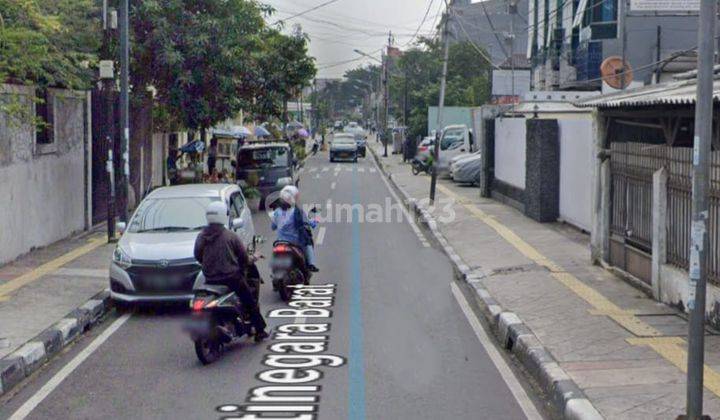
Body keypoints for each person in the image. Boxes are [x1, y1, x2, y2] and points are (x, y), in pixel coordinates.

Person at [194, 202, 268, 342]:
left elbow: (197, 255)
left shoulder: (201, 236)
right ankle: (260, 330)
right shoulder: (230, 236)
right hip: (231, 279)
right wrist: (254, 257)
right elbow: (244, 258)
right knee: (249, 301)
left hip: (209, 279)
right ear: (223, 216)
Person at [271, 186, 319, 272]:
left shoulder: (277, 212)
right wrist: (315, 221)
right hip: (295, 242)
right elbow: (310, 223)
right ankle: (311, 264)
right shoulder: (297, 211)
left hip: (280, 242)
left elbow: (273, 227)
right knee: (308, 244)